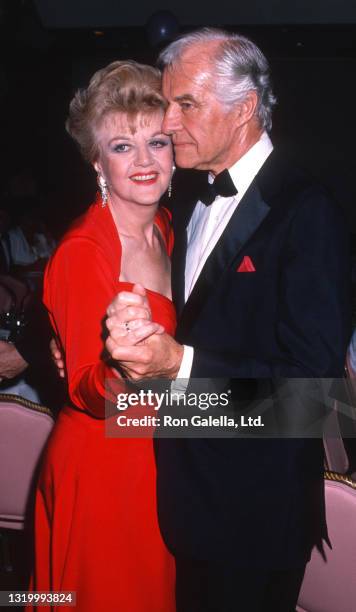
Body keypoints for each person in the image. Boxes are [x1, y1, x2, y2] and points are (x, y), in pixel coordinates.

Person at [105, 29, 351, 611]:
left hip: (254, 515)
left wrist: (180, 364)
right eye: (167, 103)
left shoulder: (306, 209)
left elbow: (315, 398)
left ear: (244, 109)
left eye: (185, 104)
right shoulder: (189, 199)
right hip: (188, 498)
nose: (167, 121)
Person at [29, 61, 176, 612]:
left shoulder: (167, 230)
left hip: (160, 460)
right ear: (96, 162)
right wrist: (121, 364)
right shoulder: (83, 252)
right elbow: (87, 389)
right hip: (104, 471)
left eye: (156, 141)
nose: (143, 161)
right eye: (121, 146)